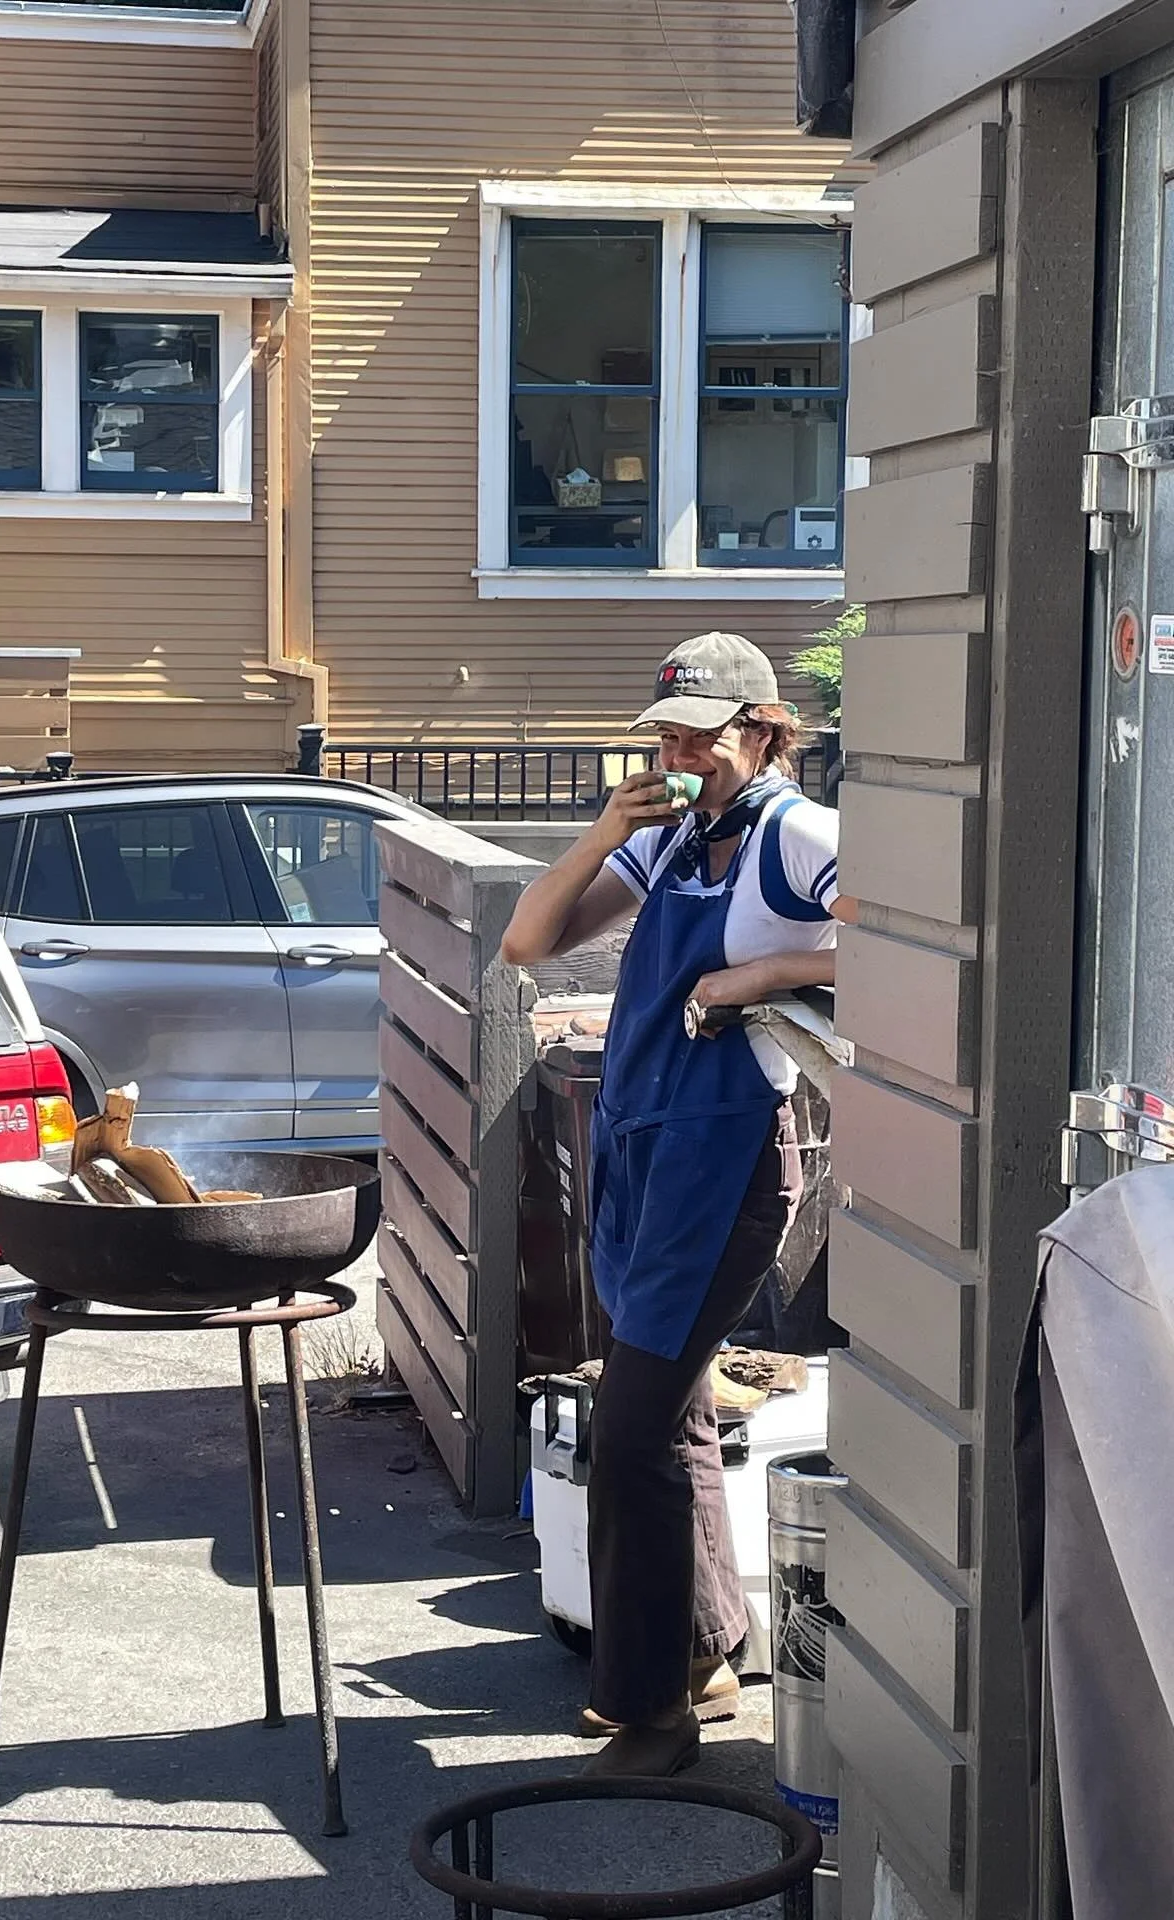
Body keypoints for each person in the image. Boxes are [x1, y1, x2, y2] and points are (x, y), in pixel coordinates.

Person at [501, 631, 855, 1777]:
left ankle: (648, 1711)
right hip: (640, 1148)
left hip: (730, 1159)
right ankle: (707, 1650)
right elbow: (527, 941)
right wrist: (609, 830)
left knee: (635, 1428)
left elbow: (902, 938)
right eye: (667, 733)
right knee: (677, 1414)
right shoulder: (666, 845)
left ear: (761, 731)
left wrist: (761, 974)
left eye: (702, 734)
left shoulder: (797, 837)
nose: (681, 752)